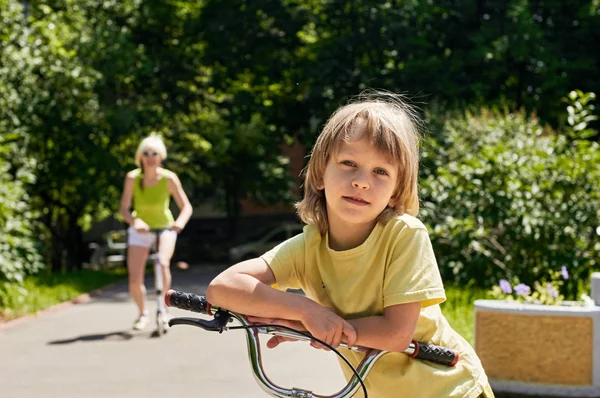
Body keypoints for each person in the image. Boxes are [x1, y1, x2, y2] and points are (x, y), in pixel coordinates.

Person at [205, 91, 494, 397]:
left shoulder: (404, 234)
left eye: (380, 171)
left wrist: (316, 324)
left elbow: (395, 334)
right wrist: (304, 310)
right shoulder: (309, 246)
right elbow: (222, 288)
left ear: (396, 191)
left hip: (447, 388)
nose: (361, 181)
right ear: (319, 174)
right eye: (348, 163)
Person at [119, 133, 193, 331]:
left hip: (165, 228)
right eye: (146, 153)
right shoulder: (132, 178)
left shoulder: (169, 178)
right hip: (140, 230)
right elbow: (124, 209)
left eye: (154, 153)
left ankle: (163, 309)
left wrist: (179, 223)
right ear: (140, 156)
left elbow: (186, 207)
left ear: (161, 156)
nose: (150, 156)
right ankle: (142, 313)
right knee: (135, 277)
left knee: (162, 263)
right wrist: (136, 221)